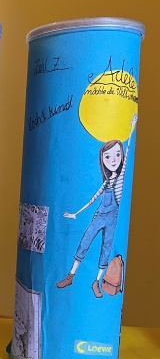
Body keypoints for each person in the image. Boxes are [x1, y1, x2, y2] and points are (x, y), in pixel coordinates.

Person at [56, 114, 136, 298]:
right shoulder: (107, 182)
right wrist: (76, 213)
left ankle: (97, 282)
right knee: (85, 241)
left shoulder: (120, 179)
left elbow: (128, 152)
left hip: (112, 219)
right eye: (108, 156)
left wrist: (132, 129)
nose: (113, 159)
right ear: (103, 159)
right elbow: (93, 199)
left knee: (106, 249)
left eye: (117, 154)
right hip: (99, 216)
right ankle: (71, 275)